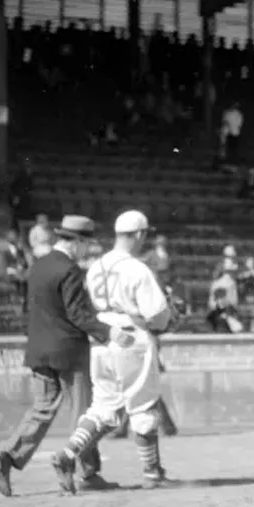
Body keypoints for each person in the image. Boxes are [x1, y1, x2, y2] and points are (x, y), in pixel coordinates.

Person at [0, 216, 122, 497]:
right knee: (84, 412)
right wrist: (109, 332)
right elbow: (78, 315)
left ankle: (8, 455)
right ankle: (86, 471)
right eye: (86, 244)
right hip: (69, 352)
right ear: (76, 242)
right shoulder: (70, 270)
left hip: (39, 349)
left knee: (42, 408)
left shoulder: (38, 266)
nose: (87, 251)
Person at [50, 210, 177, 492]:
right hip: (131, 337)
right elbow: (157, 315)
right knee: (143, 406)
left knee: (103, 408)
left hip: (101, 337)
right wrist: (167, 319)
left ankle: (68, 455)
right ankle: (153, 473)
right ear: (140, 235)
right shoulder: (137, 268)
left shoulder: (96, 266)